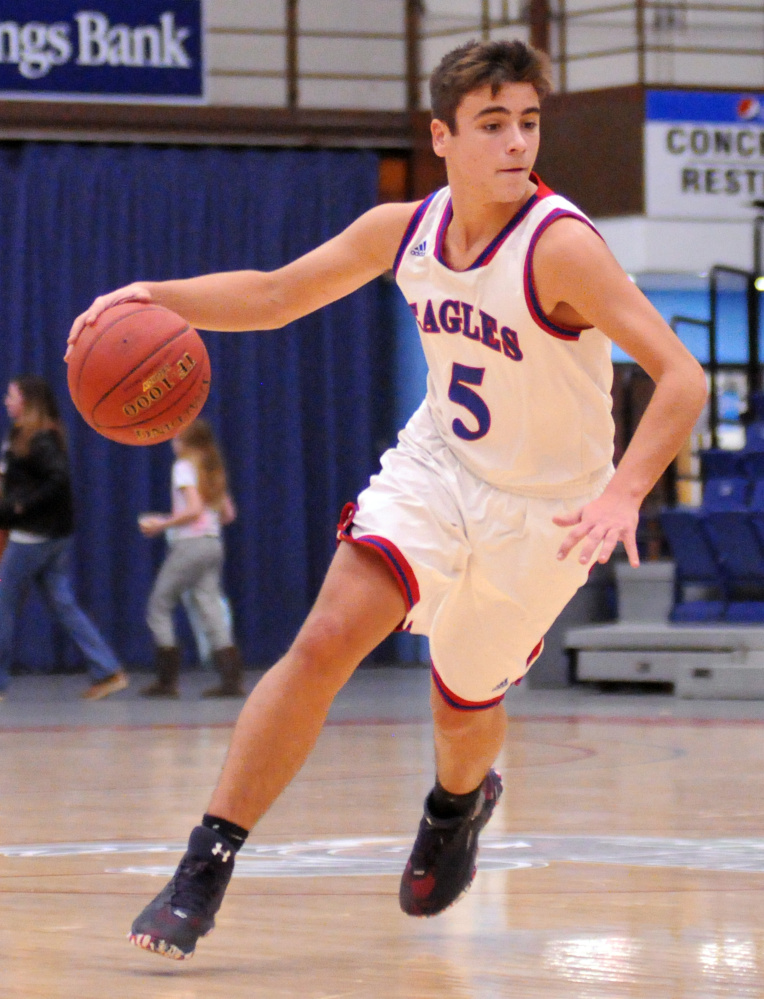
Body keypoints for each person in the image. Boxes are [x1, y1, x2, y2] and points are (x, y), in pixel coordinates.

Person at [67, 38, 707, 960]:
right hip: (440, 463)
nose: (517, 142)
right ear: (442, 137)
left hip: (547, 508)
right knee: (325, 638)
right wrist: (154, 297)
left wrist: (625, 490)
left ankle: (457, 804)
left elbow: (680, 377)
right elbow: (280, 293)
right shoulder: (402, 230)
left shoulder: (561, 246)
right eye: (493, 124)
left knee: (463, 701)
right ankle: (204, 863)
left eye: (528, 122)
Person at [0, 376, 129, 701]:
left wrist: (20, 505)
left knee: (3, 604)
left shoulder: (40, 438)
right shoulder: (26, 435)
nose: (6, 400)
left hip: (34, 536)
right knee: (63, 603)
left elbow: (58, 479)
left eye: (11, 395)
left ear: (27, 401)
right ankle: (108, 670)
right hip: (53, 536)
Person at [138, 418, 244, 698]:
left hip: (190, 546)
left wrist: (161, 523)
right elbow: (228, 514)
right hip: (213, 544)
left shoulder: (184, 467)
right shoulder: (212, 469)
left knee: (158, 605)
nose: (173, 444)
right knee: (210, 608)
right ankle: (231, 679)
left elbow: (194, 509)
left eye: (176, 438)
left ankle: (167, 680)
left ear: (186, 443)